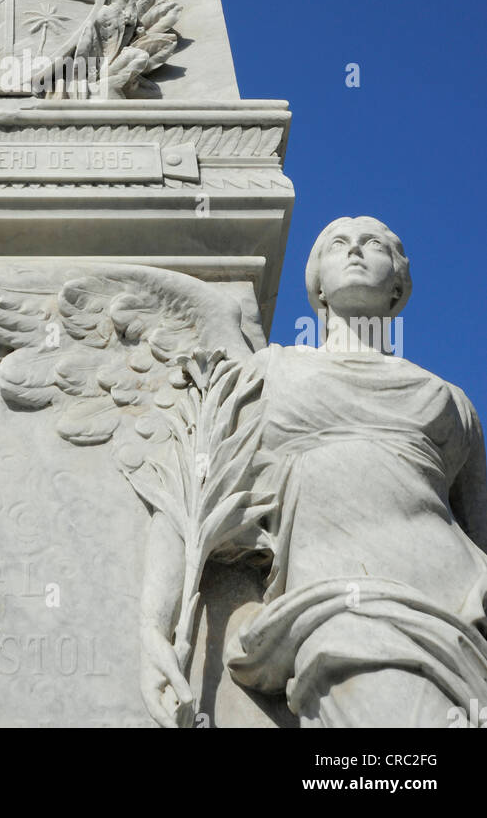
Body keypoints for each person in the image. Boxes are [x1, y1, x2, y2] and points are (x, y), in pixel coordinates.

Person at [140, 217, 487, 728]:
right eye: (337, 245)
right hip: (342, 605)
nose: (354, 251)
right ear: (317, 285)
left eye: (372, 244)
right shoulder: (272, 374)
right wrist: (153, 627)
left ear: (398, 283)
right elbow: (190, 499)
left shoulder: (448, 401)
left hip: (456, 602)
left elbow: (477, 525)